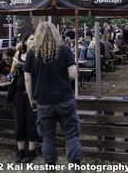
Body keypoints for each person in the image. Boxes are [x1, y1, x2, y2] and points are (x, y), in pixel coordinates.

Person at [24, 22, 82, 172]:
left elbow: (27, 79)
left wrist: (31, 99)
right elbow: (73, 74)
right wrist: (60, 79)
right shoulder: (64, 50)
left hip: (43, 102)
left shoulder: (32, 53)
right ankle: (76, 167)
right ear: (55, 34)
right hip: (65, 99)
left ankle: (50, 168)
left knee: (48, 137)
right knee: (71, 135)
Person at [9, 34, 38, 163]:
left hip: (33, 93)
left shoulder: (39, 55)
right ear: (25, 42)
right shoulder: (18, 54)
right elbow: (12, 73)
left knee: (32, 121)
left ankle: (32, 151)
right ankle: (20, 151)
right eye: (31, 38)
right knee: (19, 122)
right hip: (19, 93)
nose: (34, 40)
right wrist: (16, 66)